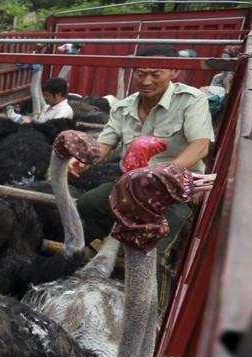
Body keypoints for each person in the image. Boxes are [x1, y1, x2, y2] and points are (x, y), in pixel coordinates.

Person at [69, 44, 215, 309]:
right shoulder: (124, 106)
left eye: (155, 74)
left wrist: (165, 172)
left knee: (155, 252)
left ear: (174, 72)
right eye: (140, 73)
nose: (146, 80)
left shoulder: (191, 100)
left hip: (175, 189)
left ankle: (156, 315)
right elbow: (104, 143)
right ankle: (119, 245)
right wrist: (84, 159)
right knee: (89, 204)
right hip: (131, 186)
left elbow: (200, 146)